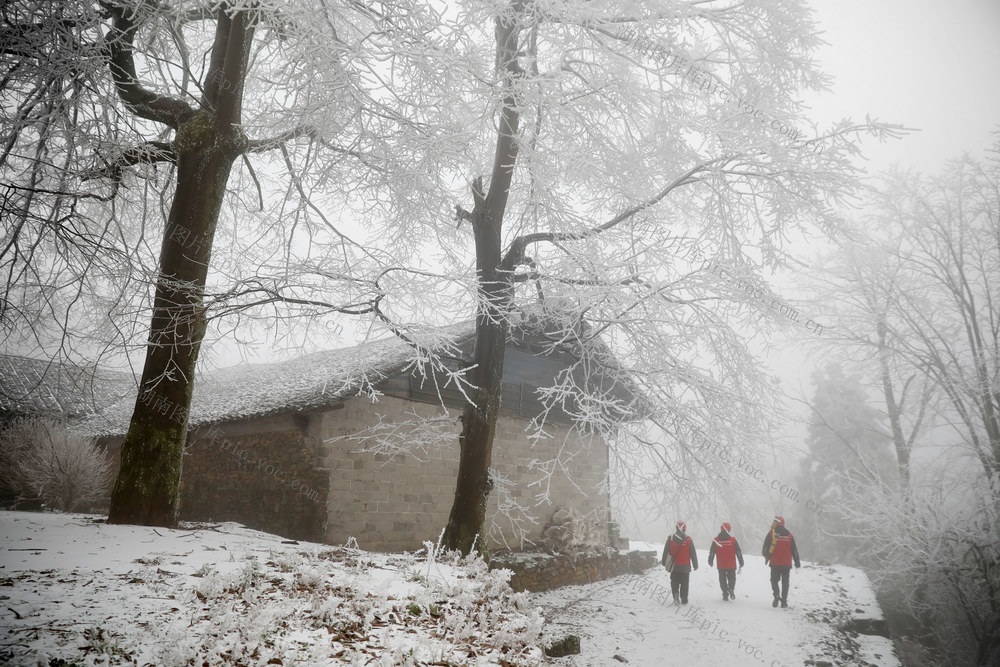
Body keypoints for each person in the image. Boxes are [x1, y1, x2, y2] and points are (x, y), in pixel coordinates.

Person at [761, 515, 800, 608]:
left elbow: (765, 548)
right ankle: (784, 602)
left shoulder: (771, 534)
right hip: (786, 564)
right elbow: (794, 550)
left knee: (774, 580)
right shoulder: (789, 535)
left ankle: (777, 595)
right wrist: (797, 561)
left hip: (775, 563)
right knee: (785, 583)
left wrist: (766, 556)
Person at [661, 520, 698, 604]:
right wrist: (695, 565)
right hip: (685, 566)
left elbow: (666, 551)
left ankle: (675, 595)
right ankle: (684, 598)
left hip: (674, 566)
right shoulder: (688, 540)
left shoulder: (670, 538)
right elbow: (693, 553)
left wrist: (664, 562)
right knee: (685, 583)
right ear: (684, 528)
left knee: (674, 581)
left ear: (676, 528)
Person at [708, 522, 744, 601]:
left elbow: (712, 552)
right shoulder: (733, 540)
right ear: (728, 530)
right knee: (732, 578)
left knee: (722, 579)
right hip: (731, 564)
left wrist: (710, 561)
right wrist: (741, 562)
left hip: (721, 564)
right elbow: (738, 552)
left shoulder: (716, 540)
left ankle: (725, 594)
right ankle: (731, 588)